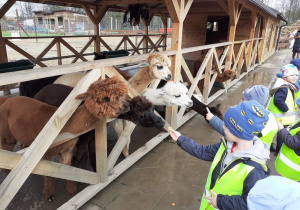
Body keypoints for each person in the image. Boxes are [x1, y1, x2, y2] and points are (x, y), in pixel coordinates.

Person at [169, 101, 270, 210]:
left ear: (238, 131)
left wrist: (221, 202)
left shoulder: (255, 171)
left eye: (227, 125)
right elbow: (203, 151)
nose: (223, 126)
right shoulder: (226, 146)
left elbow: (251, 204)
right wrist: (181, 139)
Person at [207, 85, 277, 148]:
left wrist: (213, 119)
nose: (240, 101)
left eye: (243, 100)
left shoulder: (254, 122)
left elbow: (234, 132)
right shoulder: (267, 117)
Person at [268, 64, 298, 156]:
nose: (295, 77)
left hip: (283, 118)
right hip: (282, 118)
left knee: (275, 134)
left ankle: (271, 147)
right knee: (281, 135)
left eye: (296, 75)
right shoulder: (283, 88)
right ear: (285, 76)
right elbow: (278, 100)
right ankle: (279, 152)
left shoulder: (287, 86)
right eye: (292, 75)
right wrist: (285, 108)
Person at [274, 97, 300, 181]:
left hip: (293, 172)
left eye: (299, 108)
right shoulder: (298, 121)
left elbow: (293, 143)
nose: (296, 109)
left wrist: (281, 130)